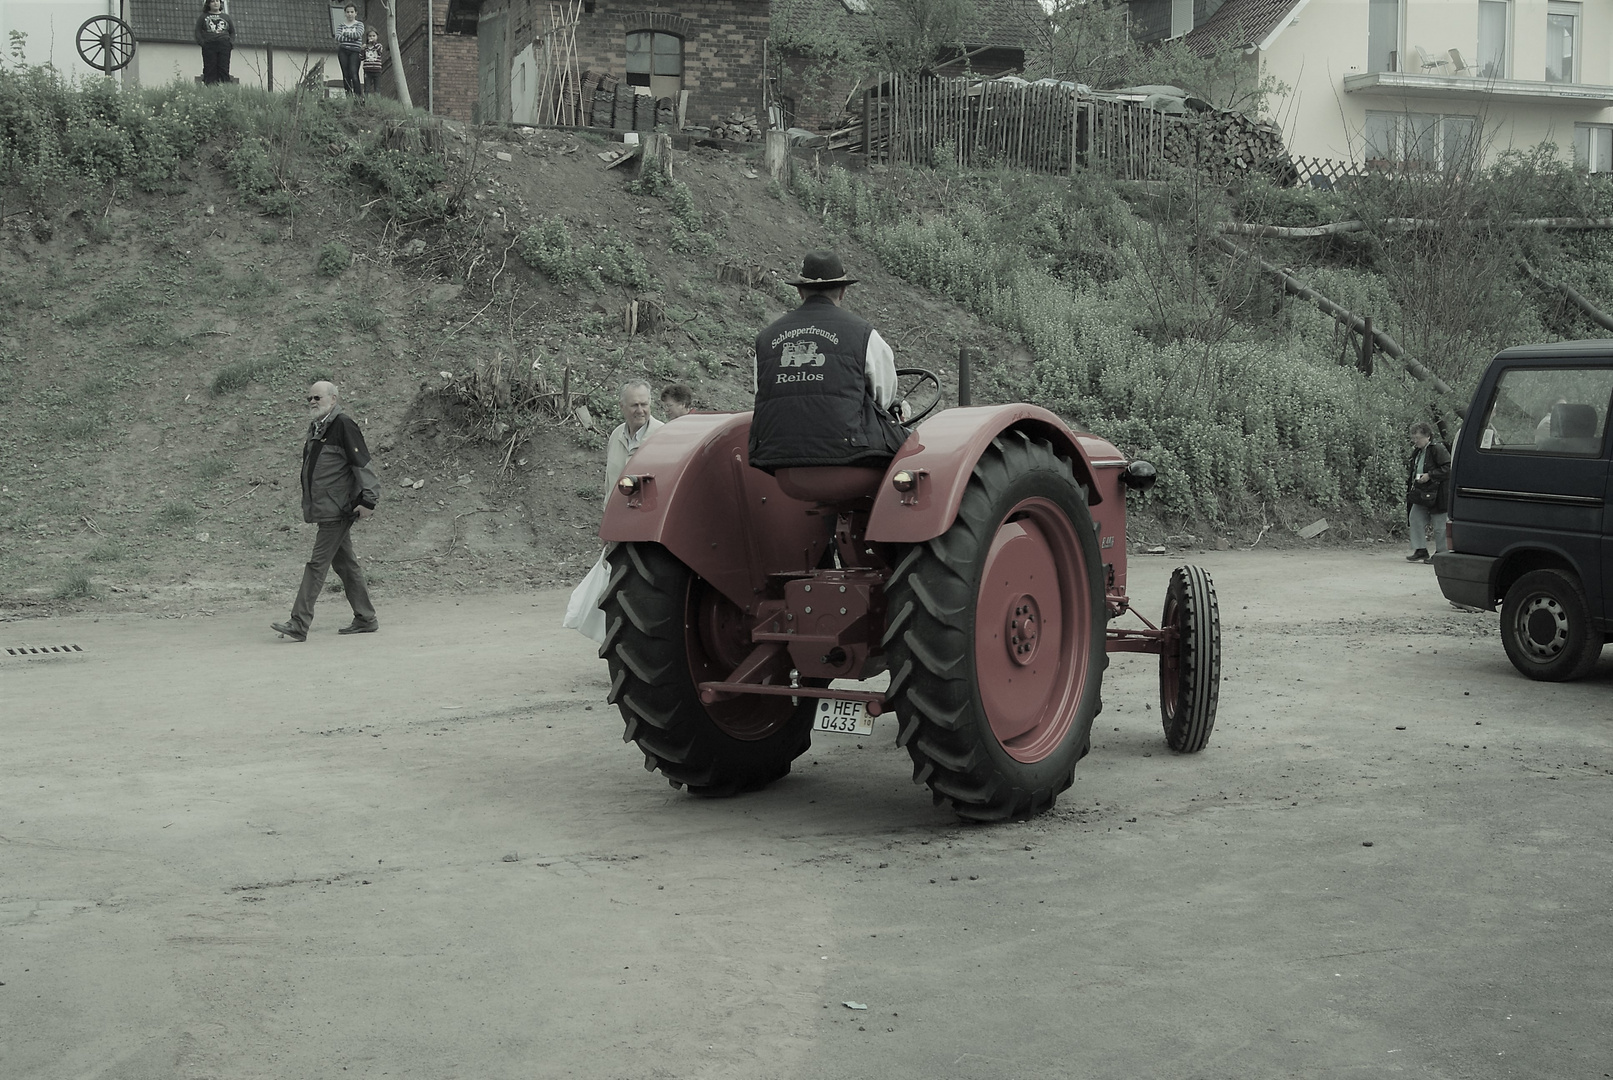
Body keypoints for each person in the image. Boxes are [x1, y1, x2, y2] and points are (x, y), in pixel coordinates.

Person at [748, 250, 906, 473]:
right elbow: (884, 398)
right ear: (842, 291)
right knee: (911, 450)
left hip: (779, 461)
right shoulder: (864, 334)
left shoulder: (765, 338)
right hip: (850, 456)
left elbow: (761, 392)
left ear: (801, 292)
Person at [272, 382, 380, 641]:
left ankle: (299, 622)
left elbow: (362, 463)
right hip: (326, 508)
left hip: (338, 510)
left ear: (333, 398)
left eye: (317, 397)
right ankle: (366, 617)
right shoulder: (318, 427)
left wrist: (369, 500)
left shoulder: (343, 424)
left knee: (317, 565)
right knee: (345, 564)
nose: (311, 401)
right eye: (308, 397)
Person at [1405, 421, 1451, 562]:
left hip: (1439, 494)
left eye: (1418, 438)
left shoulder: (1438, 449)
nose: (1415, 441)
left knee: (1439, 525)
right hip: (1422, 493)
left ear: (1428, 437)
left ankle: (1441, 553)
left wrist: (1430, 475)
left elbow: (1448, 468)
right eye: (1414, 438)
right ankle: (1420, 550)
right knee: (1415, 518)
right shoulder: (1418, 451)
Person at [605, 379, 664, 490]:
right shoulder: (616, 435)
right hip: (616, 507)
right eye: (634, 405)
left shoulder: (663, 436)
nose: (640, 410)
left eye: (644, 404)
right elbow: (609, 484)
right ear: (622, 406)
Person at [194, 0, 235, 86]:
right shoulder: (203, 17)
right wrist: (203, 43)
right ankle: (210, 88)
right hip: (209, 45)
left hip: (224, 45)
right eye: (213, 1)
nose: (215, 3)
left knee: (223, 68)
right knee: (210, 69)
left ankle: (225, 89)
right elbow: (197, 31)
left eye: (217, 1)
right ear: (208, 4)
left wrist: (230, 43)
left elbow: (232, 32)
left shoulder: (226, 17)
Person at [333, 4, 366, 98]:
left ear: (356, 13)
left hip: (355, 51)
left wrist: (345, 34)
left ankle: (358, 96)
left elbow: (358, 34)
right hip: (343, 51)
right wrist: (351, 36)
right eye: (348, 12)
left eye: (352, 12)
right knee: (345, 74)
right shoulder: (341, 25)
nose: (350, 14)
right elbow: (338, 37)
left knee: (353, 73)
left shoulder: (359, 24)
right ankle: (348, 96)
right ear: (345, 13)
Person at [362, 29, 384, 94]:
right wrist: (362, 50)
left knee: (377, 88)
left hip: (377, 71)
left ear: (377, 37)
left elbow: (380, 51)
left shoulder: (379, 46)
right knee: (367, 88)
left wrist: (374, 43)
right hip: (367, 71)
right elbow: (361, 58)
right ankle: (366, 100)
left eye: (374, 36)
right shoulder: (365, 47)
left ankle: (377, 101)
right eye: (370, 36)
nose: (372, 37)